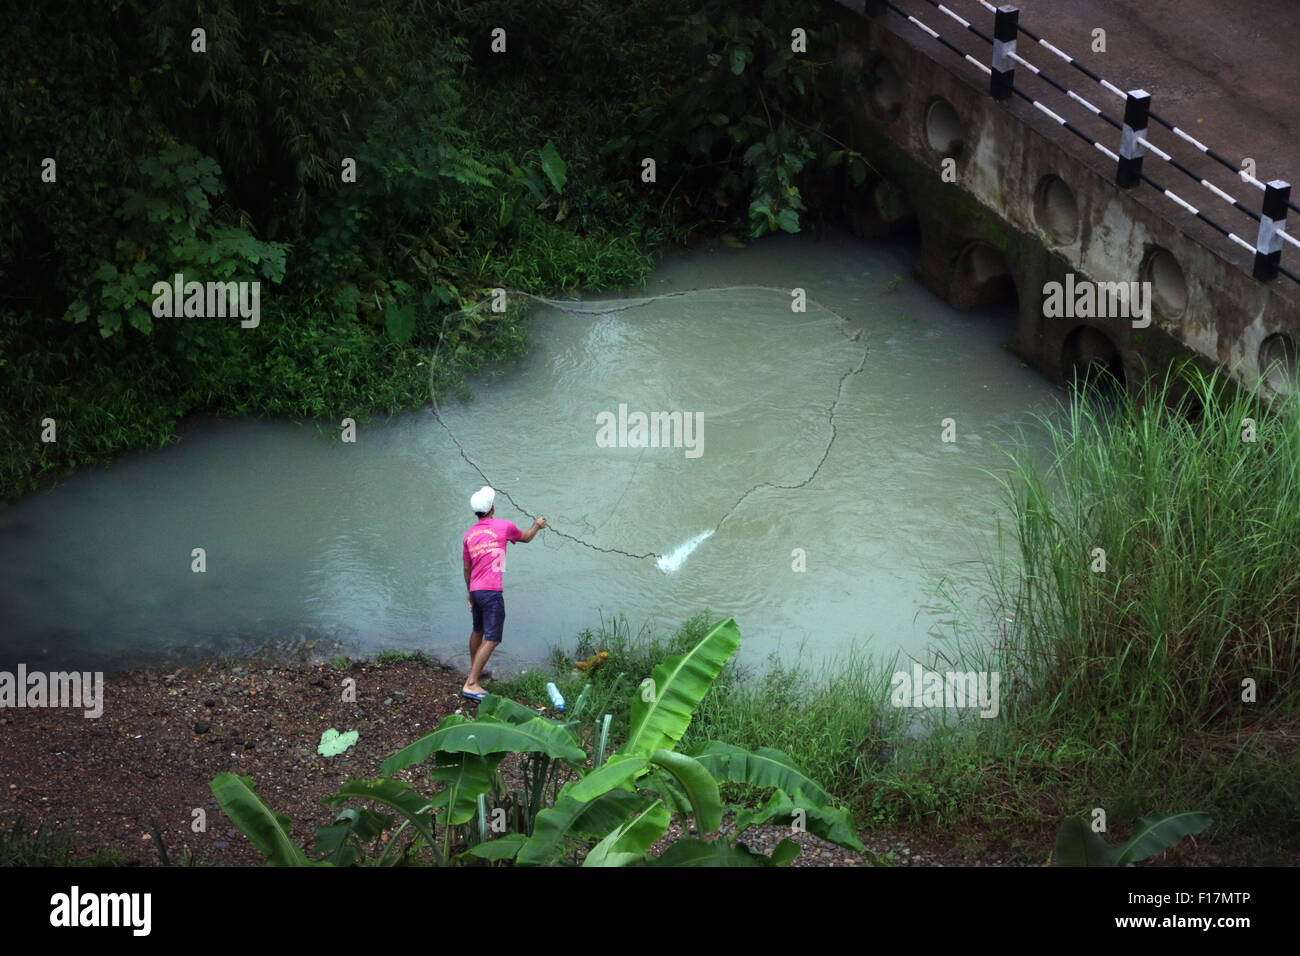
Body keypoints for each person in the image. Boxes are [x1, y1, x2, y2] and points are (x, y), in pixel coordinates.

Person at [461, 485, 545, 701]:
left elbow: (467, 568)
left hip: (476, 590)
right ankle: (471, 683)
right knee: (493, 637)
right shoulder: (503, 526)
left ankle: (476, 670)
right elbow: (526, 537)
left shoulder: (469, 534)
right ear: (493, 508)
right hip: (491, 591)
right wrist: (536, 525)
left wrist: (470, 592)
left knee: (477, 630)